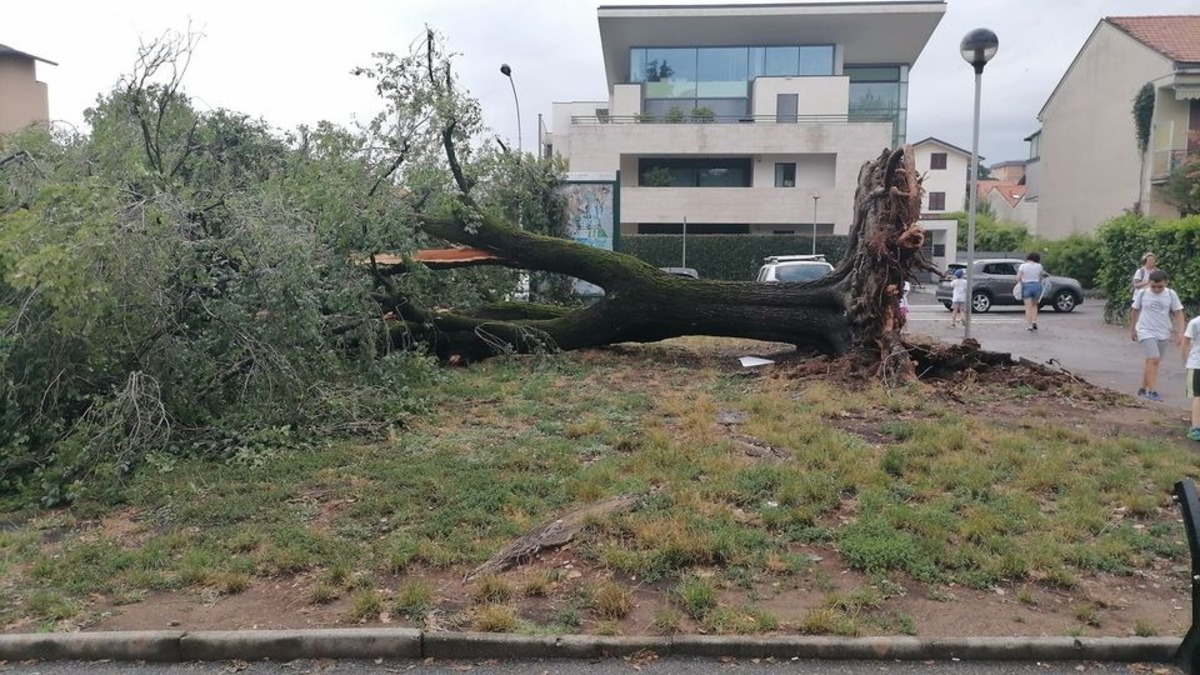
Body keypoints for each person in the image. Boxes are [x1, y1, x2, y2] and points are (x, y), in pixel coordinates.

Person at [1130, 269, 1184, 402]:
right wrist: (1133, 329)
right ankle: (1152, 391)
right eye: (1153, 286)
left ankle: (1142, 388)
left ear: (1166, 283)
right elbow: (1135, 310)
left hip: (1163, 331)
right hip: (1145, 330)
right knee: (1154, 358)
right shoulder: (1143, 293)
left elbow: (1178, 312)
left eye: (1160, 286)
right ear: (1149, 283)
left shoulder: (1171, 294)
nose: (1157, 289)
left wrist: (1180, 331)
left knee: (1153, 361)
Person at [1016, 252, 1048, 332]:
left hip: (1027, 286)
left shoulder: (1023, 266)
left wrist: (1020, 281)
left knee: (1028, 307)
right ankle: (1034, 322)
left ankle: (1030, 326)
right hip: (1037, 286)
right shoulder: (1039, 266)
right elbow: (1041, 276)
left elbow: (1018, 278)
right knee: (1034, 305)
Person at [1183, 312, 1200, 440]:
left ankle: (1196, 429)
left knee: (1198, 397)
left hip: (1196, 364)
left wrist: (1185, 360)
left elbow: (1185, 342)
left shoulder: (1195, 322)